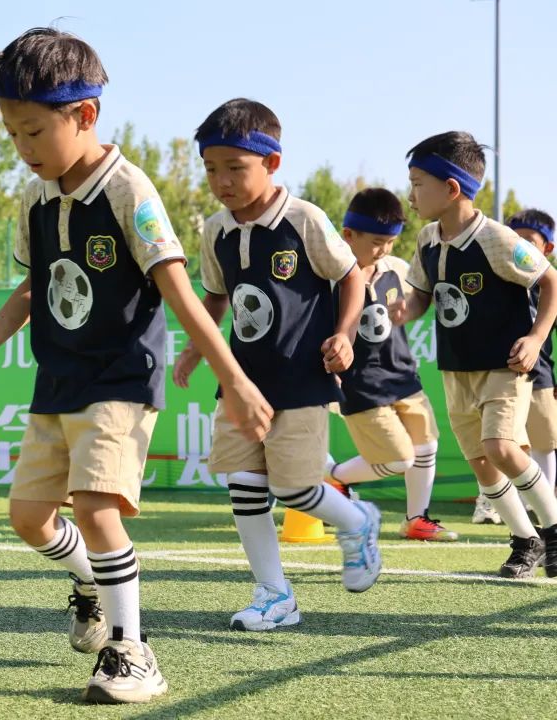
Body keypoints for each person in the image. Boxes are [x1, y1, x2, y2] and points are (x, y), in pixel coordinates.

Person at [0, 28, 272, 704]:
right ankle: (90, 582)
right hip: (57, 381)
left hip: (120, 380)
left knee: (95, 507)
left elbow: (180, 290)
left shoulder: (128, 190)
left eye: (32, 131)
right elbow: (35, 288)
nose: (21, 148)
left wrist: (234, 381)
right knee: (30, 517)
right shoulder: (34, 199)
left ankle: (133, 652)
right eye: (10, 133)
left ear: (84, 115)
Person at [175, 98, 382, 633]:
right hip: (242, 382)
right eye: (212, 168)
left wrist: (344, 332)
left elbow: (351, 275)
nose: (222, 181)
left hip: (301, 379)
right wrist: (198, 345)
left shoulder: (303, 219)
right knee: (243, 482)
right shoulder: (215, 230)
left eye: (235, 168)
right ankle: (274, 593)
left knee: (294, 489)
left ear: (272, 163)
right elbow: (217, 296)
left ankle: (357, 520)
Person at [392, 132, 557, 578]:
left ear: (451, 189)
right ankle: (526, 540)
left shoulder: (498, 239)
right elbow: (422, 296)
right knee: (482, 464)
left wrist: (536, 338)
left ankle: (554, 526)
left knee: (501, 447)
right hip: (456, 368)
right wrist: (402, 311)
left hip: (503, 366)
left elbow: (551, 281)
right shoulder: (427, 239)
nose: (410, 195)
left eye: (418, 183)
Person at [324, 188, 455, 541]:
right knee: (399, 459)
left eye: (392, 241)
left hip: (403, 375)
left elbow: (420, 299)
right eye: (379, 241)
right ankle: (333, 476)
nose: (386, 249)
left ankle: (416, 519)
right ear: (348, 235)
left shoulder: (397, 269)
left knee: (426, 444)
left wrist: (410, 308)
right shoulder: (326, 277)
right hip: (358, 382)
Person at [508, 209, 557, 498]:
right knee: (497, 443)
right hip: (496, 373)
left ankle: (545, 506)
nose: (520, 247)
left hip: (539, 377)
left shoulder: (549, 288)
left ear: (547, 248)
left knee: (543, 443)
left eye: (528, 241)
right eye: (514, 240)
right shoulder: (495, 281)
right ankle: (488, 503)